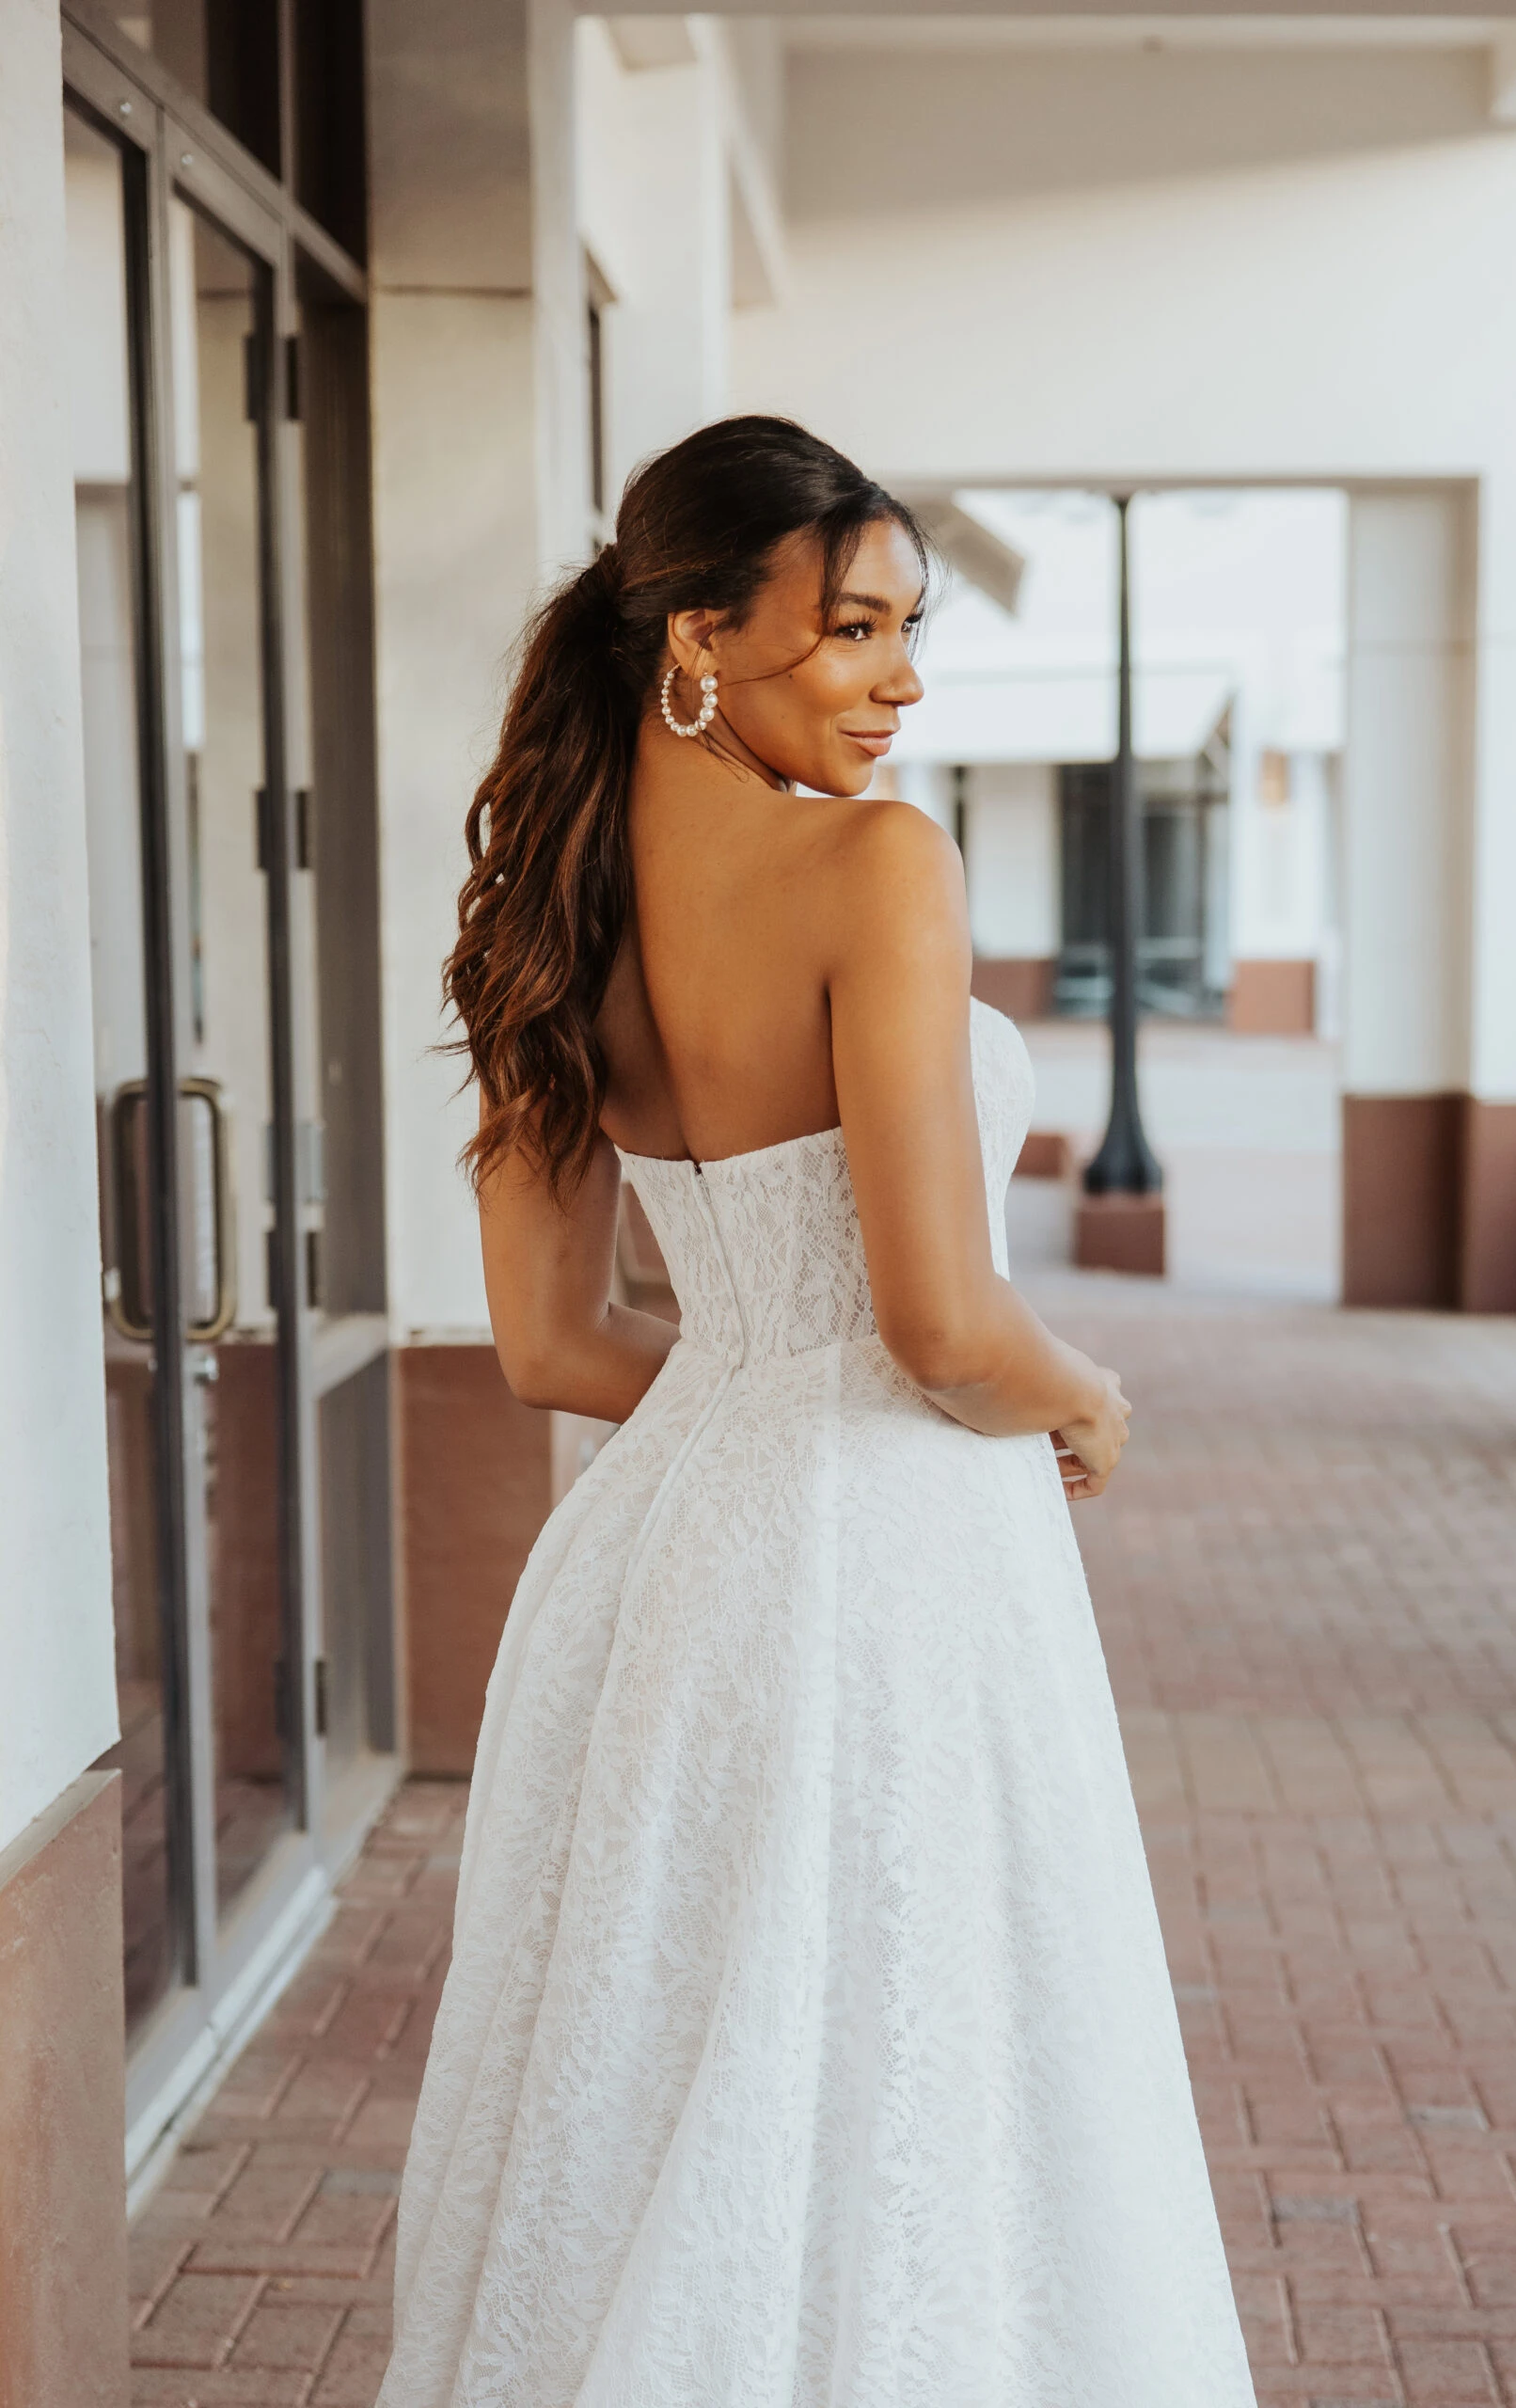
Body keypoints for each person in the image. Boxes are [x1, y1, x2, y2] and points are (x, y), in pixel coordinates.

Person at [375, 416, 1255, 2407]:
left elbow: (546, 1344)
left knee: (673, 2061)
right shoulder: (878, 861)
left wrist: (755, 1398)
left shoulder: (551, 905)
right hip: (896, 1551)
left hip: (659, 1564)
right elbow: (945, 1320)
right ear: (698, 635)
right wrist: (1086, 1393)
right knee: (918, 2042)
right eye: (851, 630)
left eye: (909, 629)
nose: (901, 680)